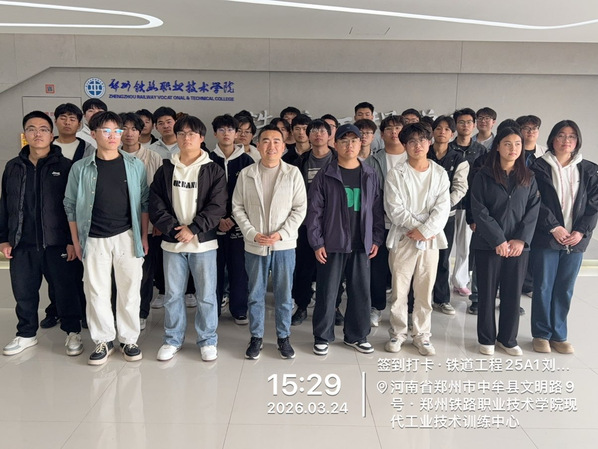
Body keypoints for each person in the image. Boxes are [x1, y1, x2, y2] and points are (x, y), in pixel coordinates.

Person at [64, 111, 149, 365]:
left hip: (127, 235)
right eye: (106, 131)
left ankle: (129, 339)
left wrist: (143, 236)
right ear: (93, 134)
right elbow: (70, 205)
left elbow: (144, 202)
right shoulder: (80, 168)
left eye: (117, 131)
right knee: (96, 291)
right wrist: (76, 241)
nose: (113, 136)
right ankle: (103, 340)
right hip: (93, 237)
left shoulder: (134, 165)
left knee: (130, 290)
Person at [1, 111, 83, 357]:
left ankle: (72, 331)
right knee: (24, 291)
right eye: (32, 129)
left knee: (66, 290)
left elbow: (75, 207)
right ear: (25, 134)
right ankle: (26, 333)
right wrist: (4, 238)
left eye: (43, 129)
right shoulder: (13, 167)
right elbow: (5, 204)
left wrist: (72, 241)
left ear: (51, 134)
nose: (37, 133)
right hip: (22, 242)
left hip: (58, 243)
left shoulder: (66, 166)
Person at [150, 115, 227, 362]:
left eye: (192, 133)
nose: (186, 138)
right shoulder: (166, 169)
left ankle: (207, 340)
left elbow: (217, 206)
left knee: (206, 295)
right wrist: (175, 229)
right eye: (181, 133)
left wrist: (193, 229)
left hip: (203, 244)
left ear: (202, 138)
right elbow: (156, 204)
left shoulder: (213, 170)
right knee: (173, 295)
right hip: (172, 243)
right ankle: (172, 339)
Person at [307, 124, 384, 356]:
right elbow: (314, 212)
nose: (349, 145)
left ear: (361, 144)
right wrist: (317, 242)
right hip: (332, 243)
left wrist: (376, 238)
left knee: (360, 291)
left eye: (354, 140)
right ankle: (322, 336)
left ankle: (357, 336)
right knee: (327, 291)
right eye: (344, 140)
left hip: (361, 243)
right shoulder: (325, 174)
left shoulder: (370, 174)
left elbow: (377, 209)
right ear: (335, 144)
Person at [233, 124, 307, 360]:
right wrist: (252, 233)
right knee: (255, 293)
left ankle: (283, 337)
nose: (271, 146)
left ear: (284, 147)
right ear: (258, 145)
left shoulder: (293, 173)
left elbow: (300, 208)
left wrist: (281, 233)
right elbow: (237, 207)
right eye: (266, 141)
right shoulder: (246, 174)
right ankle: (256, 337)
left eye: (276, 141)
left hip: (284, 245)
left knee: (284, 295)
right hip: (255, 244)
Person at [470, 127, 540, 356]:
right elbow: (479, 210)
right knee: (487, 294)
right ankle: (486, 338)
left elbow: (533, 210)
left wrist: (520, 240)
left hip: (518, 247)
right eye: (508, 144)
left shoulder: (528, 177)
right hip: (488, 244)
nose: (513, 148)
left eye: (518, 144)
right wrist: (498, 239)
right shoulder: (483, 175)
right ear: (498, 146)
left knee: (512, 293)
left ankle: (508, 339)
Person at [530, 120, 598, 354]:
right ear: (552, 139)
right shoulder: (538, 167)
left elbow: (594, 205)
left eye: (571, 136)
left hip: (576, 239)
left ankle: (559, 335)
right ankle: (541, 334)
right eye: (561, 135)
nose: (566, 140)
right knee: (543, 286)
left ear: (577, 141)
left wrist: (580, 231)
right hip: (546, 236)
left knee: (565, 288)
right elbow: (534, 201)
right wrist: (554, 227)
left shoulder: (589, 169)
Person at [383, 123, 450, 355]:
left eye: (422, 140)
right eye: (411, 141)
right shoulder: (396, 174)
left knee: (424, 289)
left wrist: (426, 230)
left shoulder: (439, 173)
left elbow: (443, 207)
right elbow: (394, 208)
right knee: (399, 290)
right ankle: (398, 333)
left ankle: (422, 335)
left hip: (430, 239)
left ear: (429, 143)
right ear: (404, 145)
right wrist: (416, 228)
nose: (417, 145)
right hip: (404, 237)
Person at [40, 103, 93, 330]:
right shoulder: (46, 147)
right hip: (52, 215)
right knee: (55, 271)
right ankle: (55, 310)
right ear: (56, 122)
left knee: (81, 269)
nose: (68, 122)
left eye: (73, 118)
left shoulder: (87, 148)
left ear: (79, 124)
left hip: (80, 214)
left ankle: (82, 311)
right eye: (63, 117)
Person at [119, 112, 163, 331]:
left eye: (134, 129)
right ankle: (121, 312)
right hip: (118, 225)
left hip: (148, 225)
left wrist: (158, 222)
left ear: (141, 132)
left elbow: (160, 193)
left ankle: (141, 312)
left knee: (145, 272)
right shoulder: (110, 156)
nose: (129, 133)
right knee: (120, 273)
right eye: (124, 129)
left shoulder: (154, 157)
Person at [209, 114, 254, 324]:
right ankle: (214, 308)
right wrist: (218, 218)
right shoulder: (207, 159)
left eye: (230, 130)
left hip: (239, 225)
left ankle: (239, 309)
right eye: (221, 130)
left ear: (236, 134)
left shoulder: (247, 161)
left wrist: (235, 219)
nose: (226, 134)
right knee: (214, 269)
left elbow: (251, 196)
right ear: (215, 133)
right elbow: (202, 195)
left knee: (239, 268)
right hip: (212, 224)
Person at [290, 119, 335, 327]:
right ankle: (302, 306)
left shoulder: (338, 159)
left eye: (322, 131)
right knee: (303, 268)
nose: (318, 134)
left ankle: (333, 307)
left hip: (333, 223)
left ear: (329, 135)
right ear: (308, 136)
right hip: (306, 224)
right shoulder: (300, 162)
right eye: (314, 131)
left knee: (332, 269)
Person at [427, 116, 469, 315]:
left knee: (443, 257)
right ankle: (420, 298)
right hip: (422, 215)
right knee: (422, 257)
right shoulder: (424, 152)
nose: (442, 132)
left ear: (452, 134)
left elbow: (460, 187)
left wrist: (443, 207)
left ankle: (442, 299)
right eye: (438, 128)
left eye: (446, 129)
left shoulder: (459, 158)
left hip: (446, 216)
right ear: (432, 131)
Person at [449, 108, 488, 297]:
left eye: (469, 122)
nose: (465, 126)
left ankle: (460, 280)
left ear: (474, 125)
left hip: (470, 204)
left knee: (465, 244)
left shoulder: (481, 150)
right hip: (448, 203)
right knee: (445, 245)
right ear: (455, 125)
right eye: (461, 122)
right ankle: (441, 279)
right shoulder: (448, 147)